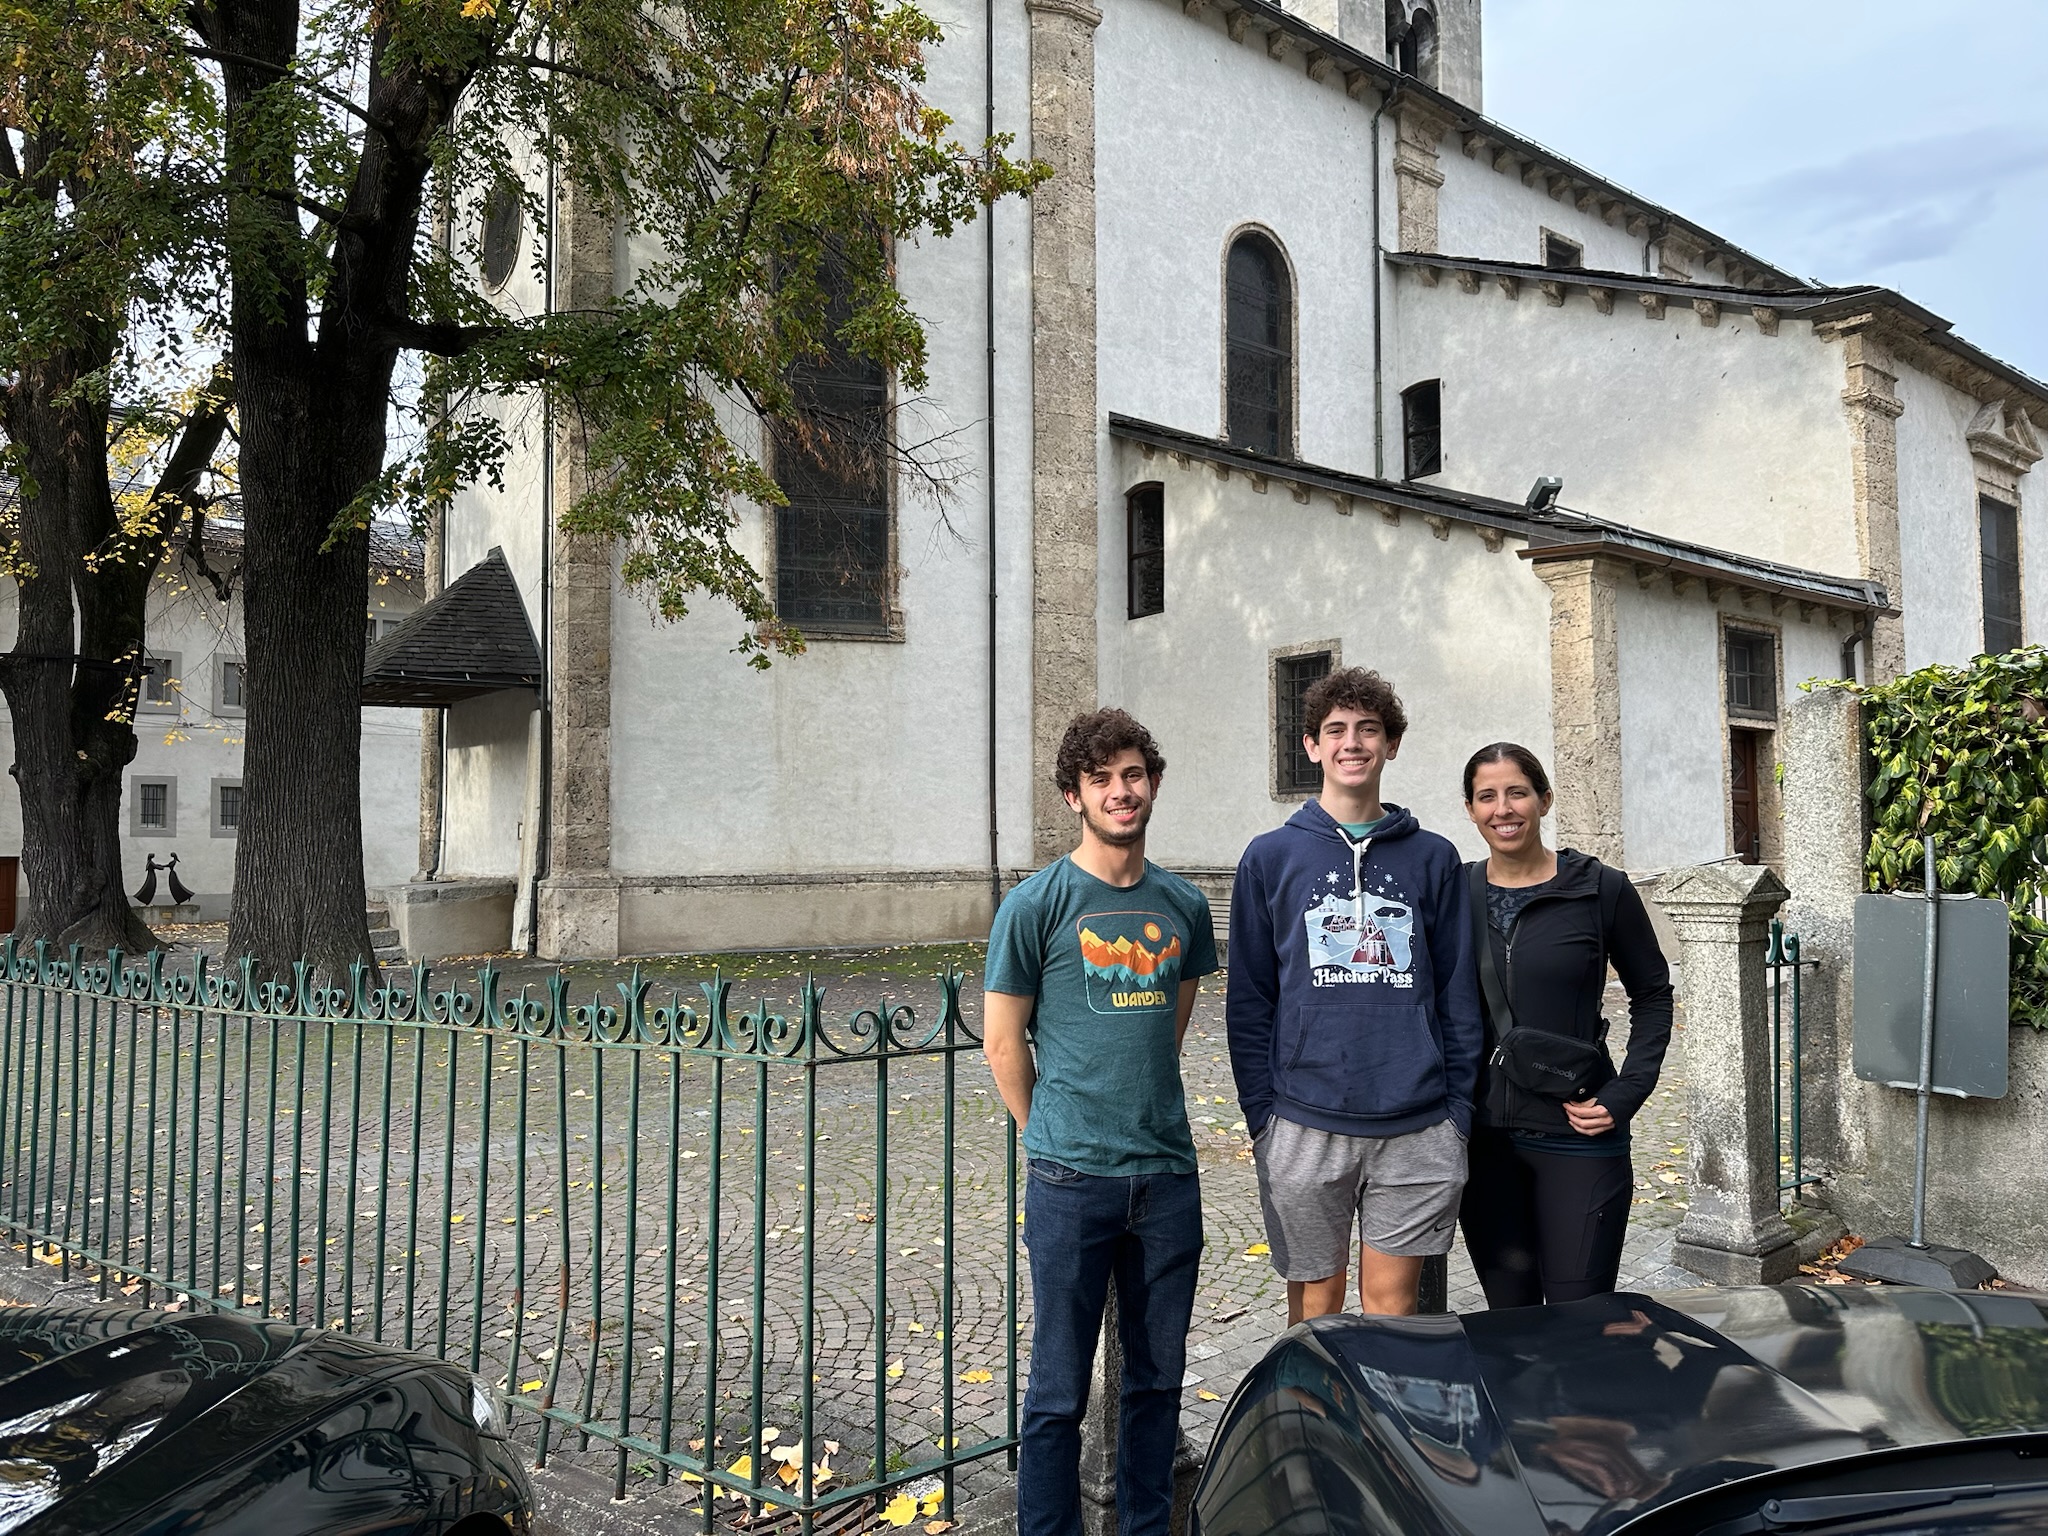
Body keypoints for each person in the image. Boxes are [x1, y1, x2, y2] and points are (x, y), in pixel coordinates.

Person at [983, 708, 1218, 1536]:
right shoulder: (1036, 904)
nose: (1121, 792)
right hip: (1069, 1181)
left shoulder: (1184, 906)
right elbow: (1004, 1040)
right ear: (1073, 796)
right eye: (1102, 779)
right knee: (1057, 1391)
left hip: (1166, 1179)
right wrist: (1047, 1130)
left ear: (1151, 783)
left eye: (1133, 775)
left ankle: (1146, 1527)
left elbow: (1170, 1025)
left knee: (1156, 1383)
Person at [1226, 668, 1482, 1324]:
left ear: (1391, 744)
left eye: (1368, 729)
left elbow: (1457, 995)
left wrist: (1456, 1117)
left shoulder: (1434, 859)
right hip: (1303, 1120)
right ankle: (1312, 1431)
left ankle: (1381, 1429)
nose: (1352, 742)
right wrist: (1264, 1118)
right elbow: (1251, 999)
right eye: (1335, 729)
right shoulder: (1270, 858)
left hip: (1417, 1124)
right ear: (1311, 746)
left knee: (1393, 1312)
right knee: (1315, 1314)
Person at [1455, 742, 1675, 1308]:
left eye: (1517, 792)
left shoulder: (1600, 889)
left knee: (1581, 1315)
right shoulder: (1454, 893)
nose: (1503, 808)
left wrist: (1629, 1089)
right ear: (1471, 809)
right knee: (1512, 1318)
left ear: (1544, 799)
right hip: (1484, 1142)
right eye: (1487, 796)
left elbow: (1653, 993)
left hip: (1578, 1134)